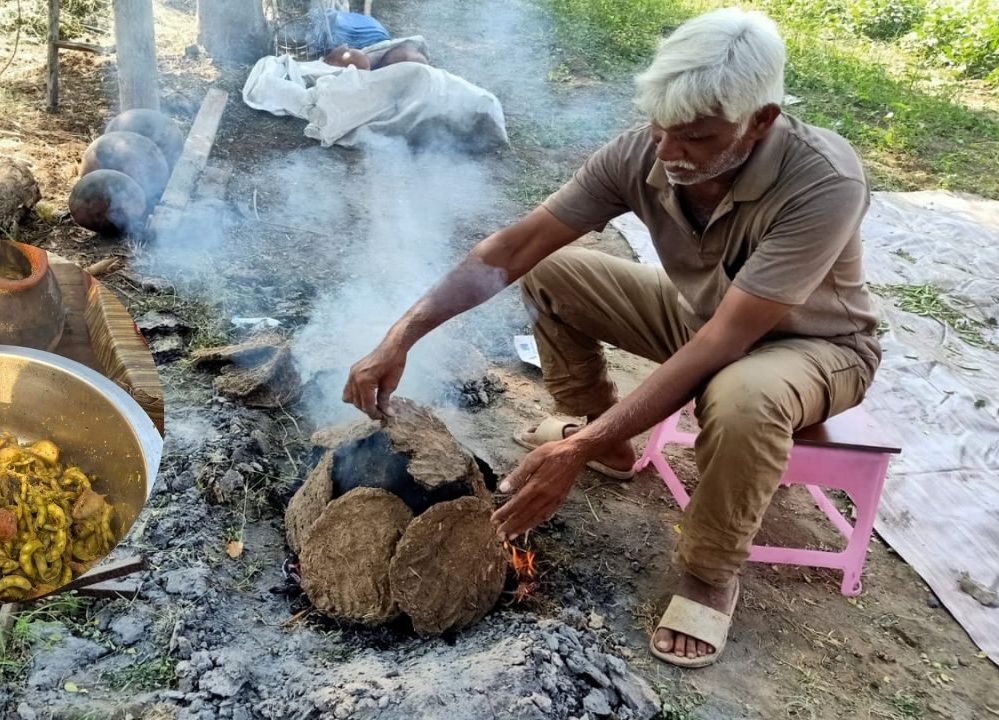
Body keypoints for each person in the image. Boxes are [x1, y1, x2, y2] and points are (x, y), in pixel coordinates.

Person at [341, 8, 879, 669]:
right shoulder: (644, 152)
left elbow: (726, 344)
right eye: (662, 130)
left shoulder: (822, 178)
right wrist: (402, 335)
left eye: (699, 138)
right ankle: (608, 437)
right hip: (700, 316)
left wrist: (576, 452)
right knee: (551, 271)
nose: (672, 153)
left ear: (761, 120)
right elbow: (516, 246)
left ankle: (710, 574)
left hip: (814, 350)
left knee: (743, 398)